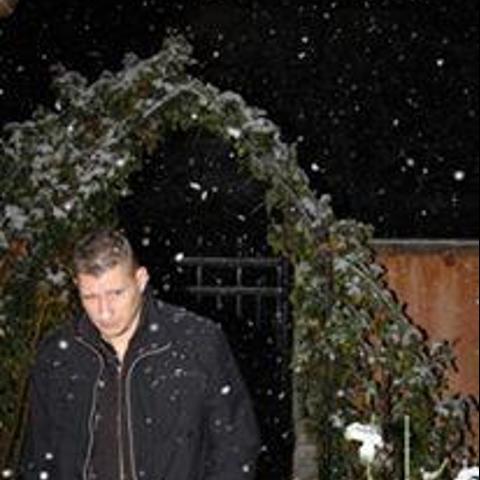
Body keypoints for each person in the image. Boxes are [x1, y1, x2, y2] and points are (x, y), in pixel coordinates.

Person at [20, 229, 260, 480]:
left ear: (141, 279)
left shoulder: (196, 343)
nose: (104, 312)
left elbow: (236, 446)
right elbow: (39, 456)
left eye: (116, 293)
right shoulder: (58, 356)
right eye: (90, 297)